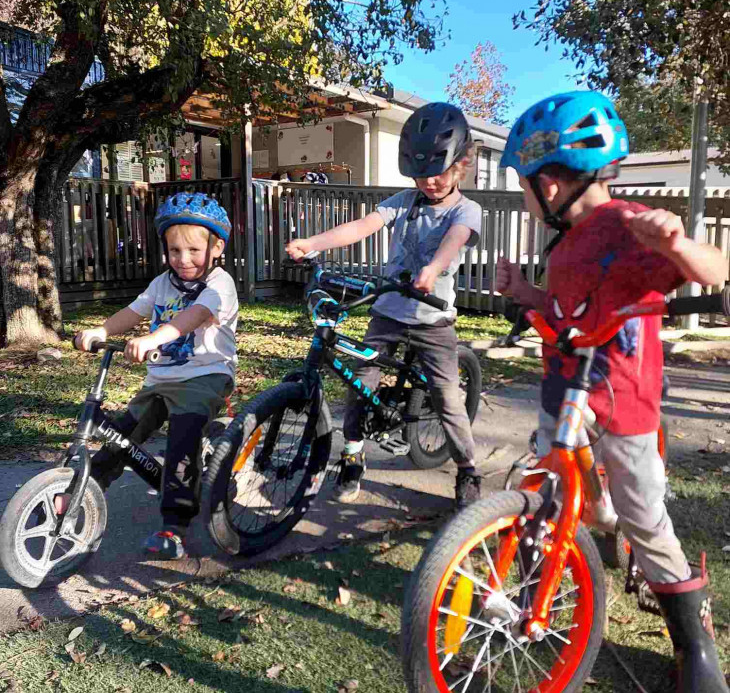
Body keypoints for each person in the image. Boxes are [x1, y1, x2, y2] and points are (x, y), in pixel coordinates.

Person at [497, 90, 729, 692]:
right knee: (545, 488)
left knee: (642, 517)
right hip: (563, 392)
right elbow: (566, 307)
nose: (527, 199)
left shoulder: (629, 225)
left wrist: (677, 245)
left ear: (548, 186)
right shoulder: (565, 243)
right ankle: (541, 588)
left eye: (524, 187)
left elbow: (714, 270)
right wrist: (526, 295)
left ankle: (695, 643)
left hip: (622, 401)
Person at [286, 102, 483, 510]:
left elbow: (456, 238)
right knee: (362, 382)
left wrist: (433, 268)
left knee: (447, 397)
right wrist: (313, 243)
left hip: (433, 319)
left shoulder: (466, 210)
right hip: (389, 311)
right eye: (420, 173)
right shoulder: (404, 201)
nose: (428, 181)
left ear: (461, 165)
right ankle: (353, 455)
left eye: (439, 172)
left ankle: (468, 468)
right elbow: (362, 227)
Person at [66, 193, 238, 560]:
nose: (183, 259)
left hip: (205, 376)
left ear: (217, 247)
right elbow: (134, 311)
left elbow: (192, 317)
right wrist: (101, 330)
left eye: (193, 250)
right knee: (120, 432)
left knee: (181, 442)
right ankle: (85, 487)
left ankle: (174, 527)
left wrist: (154, 338)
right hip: (161, 380)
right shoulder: (162, 283)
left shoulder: (220, 284)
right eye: (174, 250)